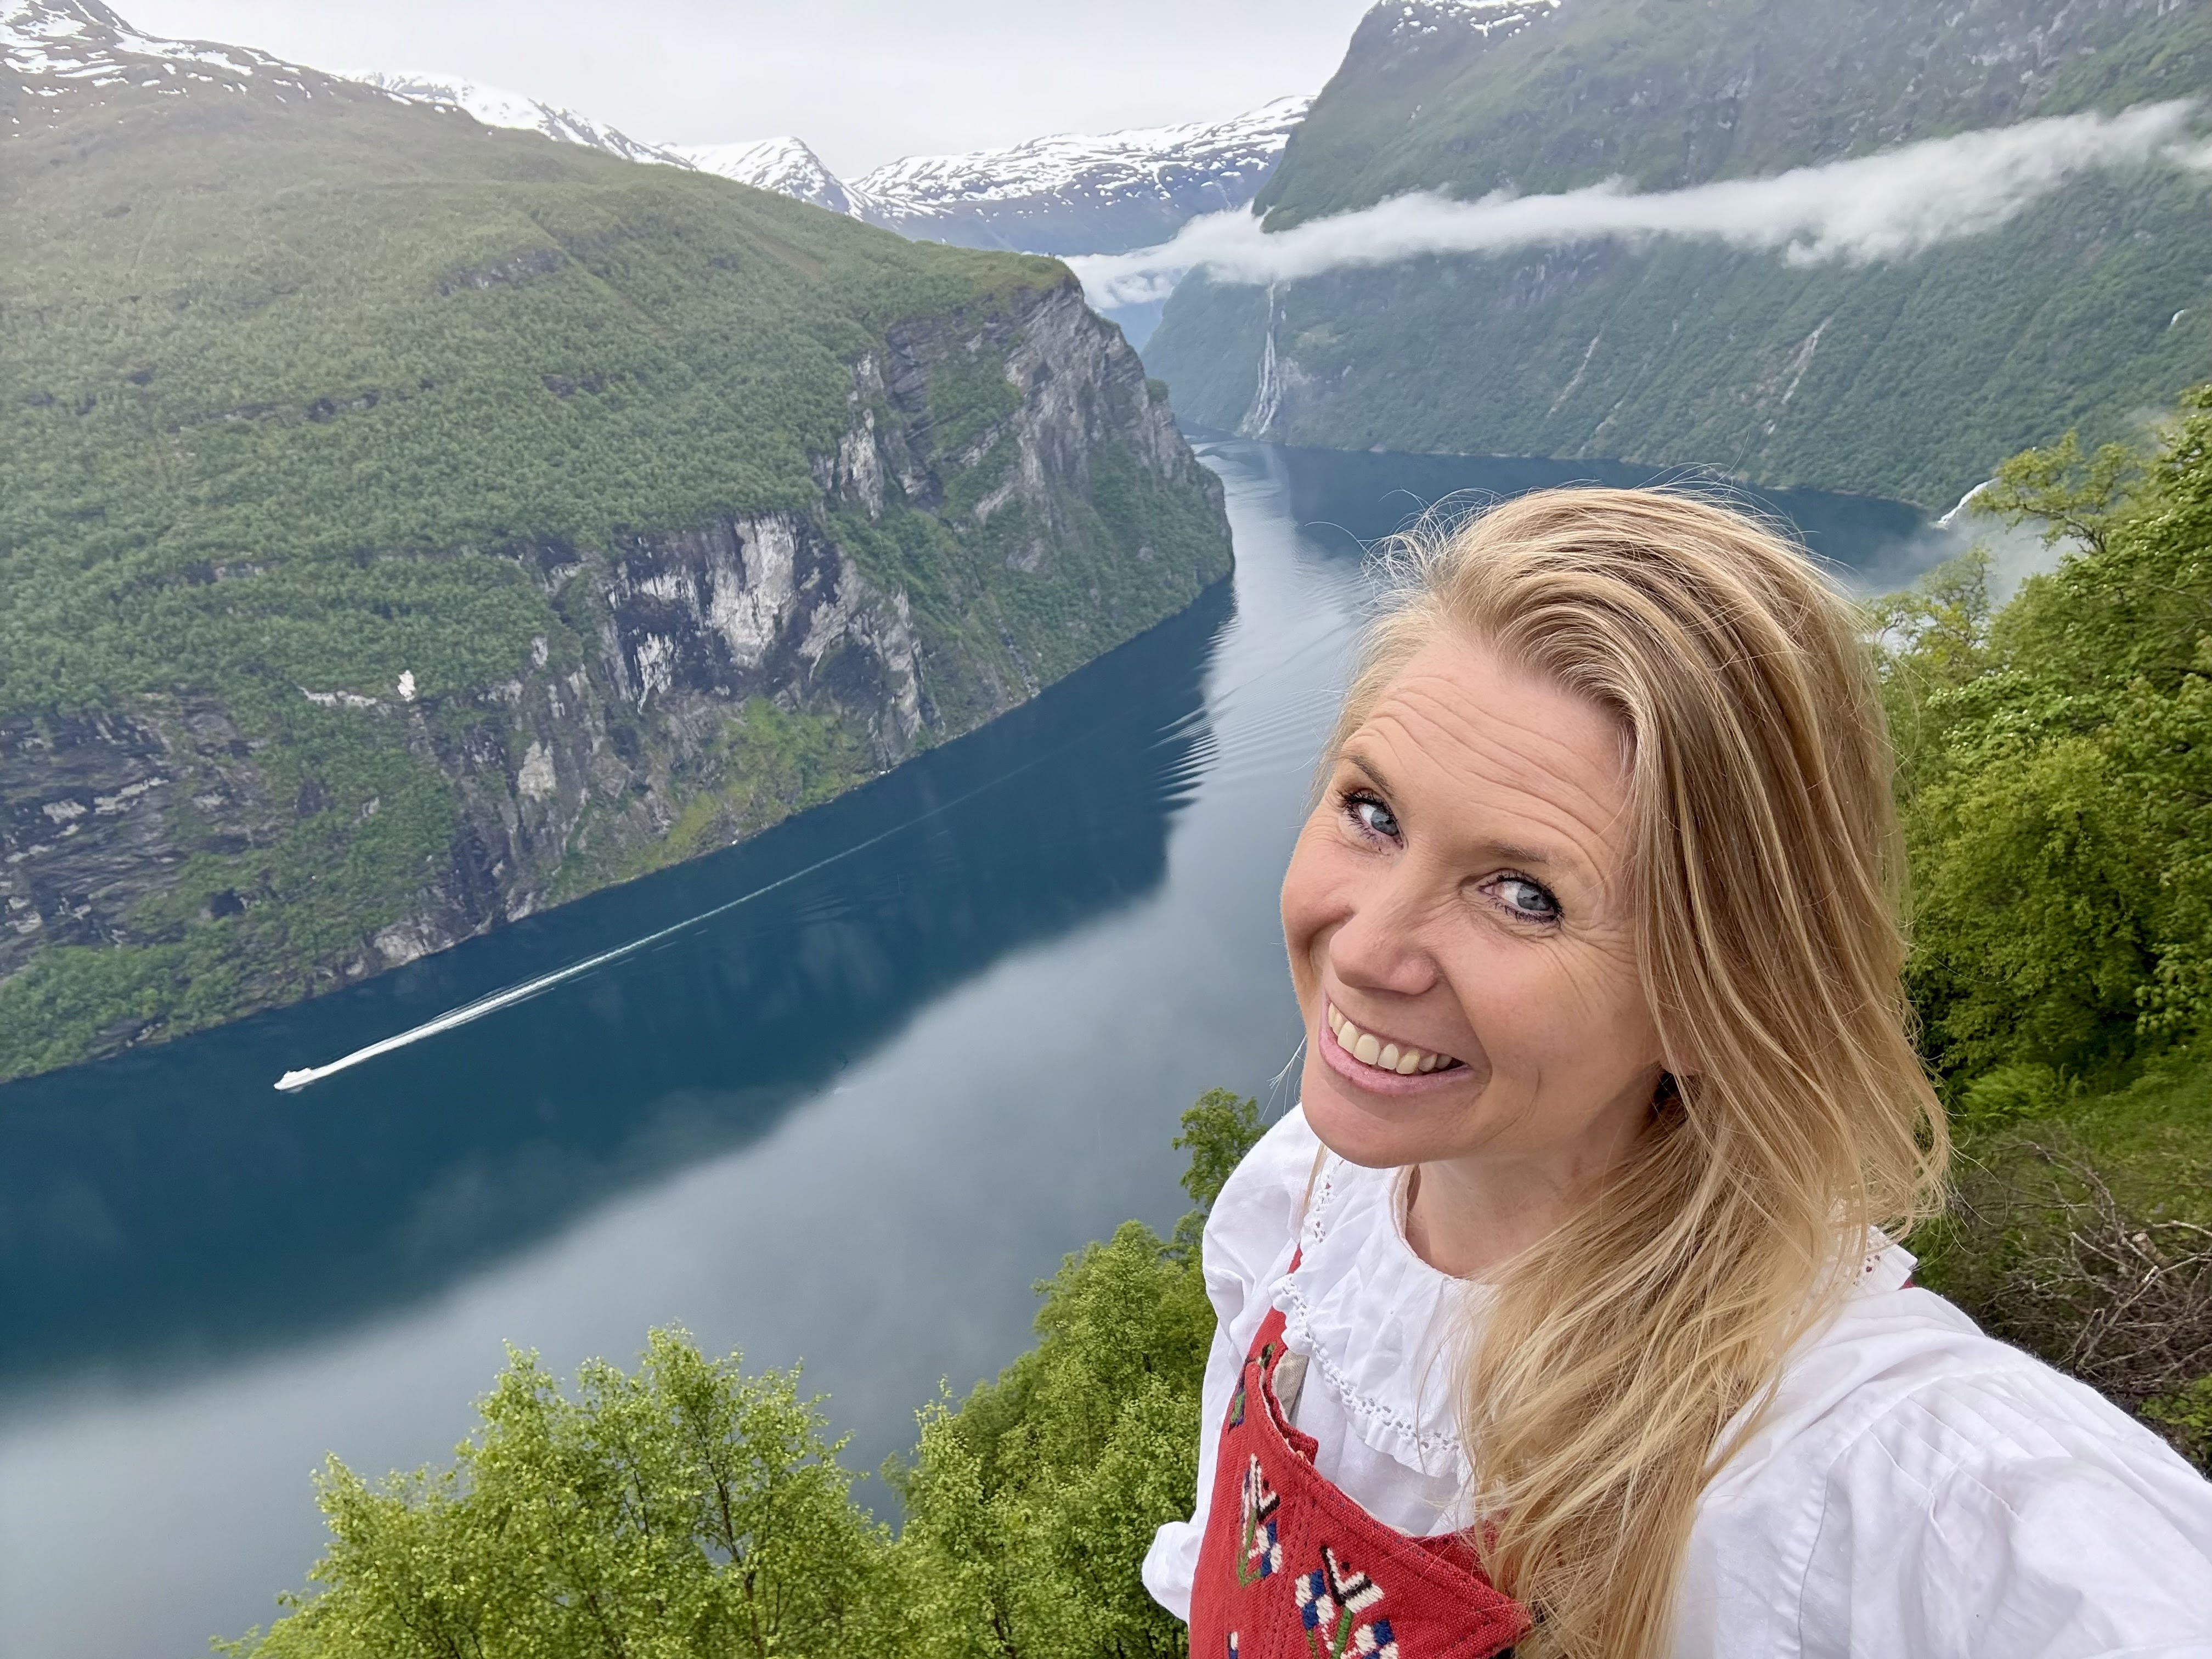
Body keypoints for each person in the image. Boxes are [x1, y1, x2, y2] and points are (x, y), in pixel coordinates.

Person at [1141, 489, 2212, 1659]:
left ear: (1716, 994)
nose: (1364, 950)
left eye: (1525, 894)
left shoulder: (1854, 1478)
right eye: (1372, 812)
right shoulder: (1302, 1207)